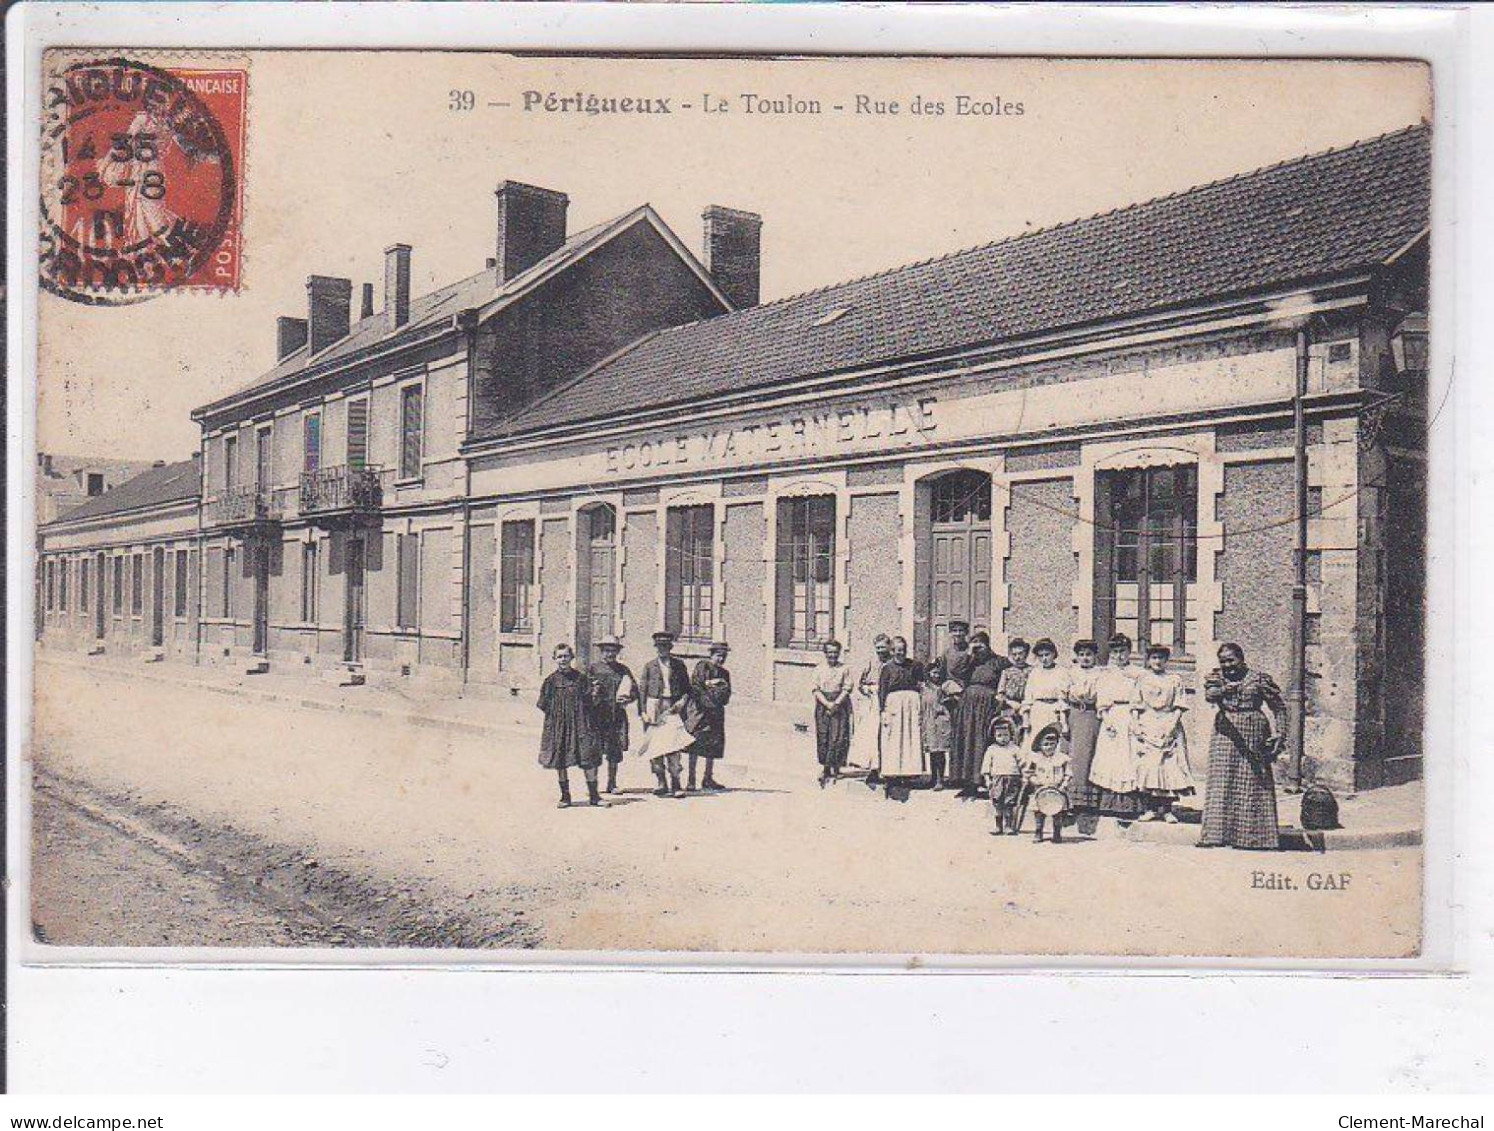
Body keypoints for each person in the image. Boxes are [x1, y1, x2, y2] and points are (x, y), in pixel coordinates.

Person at [1198, 643, 1288, 850]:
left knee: (1252, 781)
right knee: (1223, 780)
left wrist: (1280, 735)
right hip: (1225, 733)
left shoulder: (1258, 679)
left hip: (1254, 731)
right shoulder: (1216, 677)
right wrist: (1223, 690)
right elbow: (1210, 695)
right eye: (1223, 661)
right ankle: (1217, 835)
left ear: (1241, 658)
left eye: (1231, 660)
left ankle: (1253, 837)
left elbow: (1279, 707)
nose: (1227, 665)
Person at [1084, 633, 1146, 820]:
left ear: (1129, 652)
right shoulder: (1106, 675)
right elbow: (1101, 701)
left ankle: (1129, 805)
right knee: (1109, 759)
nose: (1119, 656)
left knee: (1129, 758)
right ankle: (1108, 804)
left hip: (1131, 716)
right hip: (1111, 717)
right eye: (1116, 652)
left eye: (1123, 652)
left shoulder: (1138, 674)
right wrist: (1106, 718)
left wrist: (1136, 720)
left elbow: (1142, 698)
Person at [1132, 644, 1196, 822]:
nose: (1157, 661)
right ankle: (1151, 809)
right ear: (1148, 660)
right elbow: (1136, 704)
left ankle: (1167, 810)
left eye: (1161, 658)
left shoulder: (1174, 679)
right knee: (1149, 767)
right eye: (1154, 658)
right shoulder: (1142, 679)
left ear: (1166, 660)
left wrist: (1171, 725)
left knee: (1169, 768)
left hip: (1169, 723)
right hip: (1148, 724)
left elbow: (1179, 706)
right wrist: (1137, 724)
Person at [537, 643, 605, 808]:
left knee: (588, 757)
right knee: (560, 760)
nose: (563, 660)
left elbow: (591, 701)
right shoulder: (550, 681)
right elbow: (543, 704)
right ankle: (565, 797)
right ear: (554, 659)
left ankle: (595, 796)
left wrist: (596, 693)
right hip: (560, 725)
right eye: (559, 656)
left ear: (571, 658)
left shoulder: (581, 679)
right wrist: (556, 720)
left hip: (581, 723)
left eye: (566, 656)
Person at [635, 630, 692, 797]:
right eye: (659, 647)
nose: (662, 650)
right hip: (654, 706)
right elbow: (642, 691)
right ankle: (661, 781)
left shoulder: (679, 665)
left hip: (672, 706)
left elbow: (687, 689)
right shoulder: (649, 666)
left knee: (673, 745)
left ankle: (676, 783)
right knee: (655, 745)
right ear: (656, 648)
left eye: (665, 646)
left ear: (670, 647)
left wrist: (682, 701)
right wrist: (643, 712)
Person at [951, 630, 1008, 798]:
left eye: (981, 645)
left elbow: (1009, 670)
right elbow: (956, 671)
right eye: (975, 645)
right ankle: (969, 785)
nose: (978, 650)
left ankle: (985, 783)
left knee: (982, 741)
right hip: (968, 706)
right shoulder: (970, 663)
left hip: (987, 705)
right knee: (967, 741)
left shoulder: (997, 661)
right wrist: (969, 654)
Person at [876, 636, 927, 796]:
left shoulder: (915, 666)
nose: (900, 653)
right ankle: (892, 776)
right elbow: (882, 690)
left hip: (911, 705)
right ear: (892, 651)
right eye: (897, 650)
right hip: (894, 706)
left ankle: (907, 775)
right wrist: (883, 710)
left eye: (903, 650)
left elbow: (922, 684)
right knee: (893, 739)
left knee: (909, 740)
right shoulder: (887, 668)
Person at [1062, 639, 1104, 835]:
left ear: (1095, 656)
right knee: (1076, 758)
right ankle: (1074, 802)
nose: (1085, 658)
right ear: (1077, 657)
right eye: (1082, 654)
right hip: (1075, 715)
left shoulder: (1101, 674)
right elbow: (1062, 698)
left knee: (1092, 757)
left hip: (1094, 715)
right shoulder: (1071, 673)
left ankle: (1091, 803)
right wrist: (1063, 721)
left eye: (1089, 654)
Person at [586, 634, 636, 794]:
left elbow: (634, 689)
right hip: (597, 715)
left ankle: (612, 783)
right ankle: (593, 785)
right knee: (595, 750)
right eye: (606, 650)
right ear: (601, 651)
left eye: (612, 650)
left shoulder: (623, 670)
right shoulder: (593, 668)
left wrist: (628, 698)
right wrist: (592, 692)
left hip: (616, 715)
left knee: (614, 750)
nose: (609, 654)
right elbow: (583, 690)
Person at [685, 641, 733, 791]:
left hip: (716, 713)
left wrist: (716, 690)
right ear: (711, 655)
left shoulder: (725, 673)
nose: (721, 659)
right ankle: (691, 780)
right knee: (695, 744)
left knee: (713, 745)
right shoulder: (702, 666)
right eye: (718, 655)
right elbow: (696, 687)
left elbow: (726, 694)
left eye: (723, 656)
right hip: (700, 711)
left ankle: (708, 778)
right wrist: (712, 690)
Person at [850, 634, 893, 784]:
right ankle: (874, 769)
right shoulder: (870, 662)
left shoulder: (893, 662)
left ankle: (889, 771)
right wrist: (867, 689)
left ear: (889, 647)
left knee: (888, 735)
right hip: (872, 703)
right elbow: (860, 684)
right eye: (878, 648)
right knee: (872, 736)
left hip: (888, 701)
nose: (881, 651)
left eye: (883, 647)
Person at [812, 639, 854, 787]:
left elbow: (847, 688)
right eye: (829, 652)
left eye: (835, 653)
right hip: (823, 704)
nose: (832, 656)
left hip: (840, 704)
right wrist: (827, 703)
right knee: (824, 736)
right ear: (825, 653)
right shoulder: (819, 669)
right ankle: (825, 768)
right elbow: (815, 690)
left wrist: (836, 703)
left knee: (838, 737)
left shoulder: (844, 669)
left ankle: (836, 768)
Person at [1022, 724, 1072, 844]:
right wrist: (1036, 782)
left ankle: (1057, 832)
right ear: (1040, 745)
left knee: (1057, 813)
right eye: (1046, 744)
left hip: (1057, 789)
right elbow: (1029, 774)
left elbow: (1068, 774)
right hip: (1040, 789)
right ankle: (1038, 831)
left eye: (1052, 744)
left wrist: (1063, 785)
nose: (1049, 747)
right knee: (1039, 812)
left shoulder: (1062, 759)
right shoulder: (1035, 759)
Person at [981, 713, 1025, 835]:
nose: (1003, 738)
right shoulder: (992, 749)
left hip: (1012, 778)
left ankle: (1008, 826)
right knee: (997, 803)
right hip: (997, 779)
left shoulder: (1014, 748)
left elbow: (1022, 762)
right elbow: (986, 766)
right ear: (994, 736)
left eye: (1006, 735)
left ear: (1011, 735)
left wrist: (1024, 774)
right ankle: (998, 826)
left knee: (1009, 803)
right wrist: (987, 779)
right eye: (999, 735)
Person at [1020, 638, 1070, 744]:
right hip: (1037, 712)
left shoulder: (1062, 672)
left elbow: (1063, 699)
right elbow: (1028, 697)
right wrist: (1026, 719)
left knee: (1053, 742)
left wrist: (1064, 722)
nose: (1044, 659)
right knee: (1035, 742)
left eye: (1047, 655)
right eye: (1041, 656)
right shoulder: (1035, 673)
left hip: (1054, 712)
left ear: (1054, 654)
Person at [920, 668, 956, 790]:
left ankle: (940, 780)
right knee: (932, 751)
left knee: (940, 751)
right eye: (933, 672)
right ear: (929, 673)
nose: (936, 675)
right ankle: (933, 778)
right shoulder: (924, 688)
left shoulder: (945, 686)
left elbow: (958, 696)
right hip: (928, 721)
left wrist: (947, 702)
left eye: (938, 672)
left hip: (941, 721)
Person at [995, 637, 1032, 730]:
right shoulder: (1006, 672)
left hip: (1029, 709)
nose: (1017, 657)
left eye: (1020, 654)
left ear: (1026, 654)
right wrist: (1009, 702)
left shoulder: (1033, 671)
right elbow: (1000, 694)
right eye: (1014, 654)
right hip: (1010, 709)